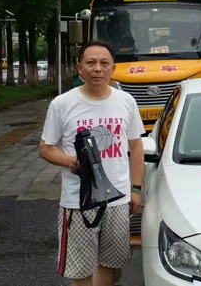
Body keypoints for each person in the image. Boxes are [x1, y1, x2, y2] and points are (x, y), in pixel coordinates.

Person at [39, 40, 145, 286]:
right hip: (79, 201)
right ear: (79, 68)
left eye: (104, 63)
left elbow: (136, 145)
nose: (97, 68)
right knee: (80, 270)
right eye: (91, 63)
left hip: (117, 199)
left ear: (113, 69)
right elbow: (45, 148)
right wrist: (71, 160)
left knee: (109, 265)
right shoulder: (62, 104)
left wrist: (136, 188)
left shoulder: (126, 101)